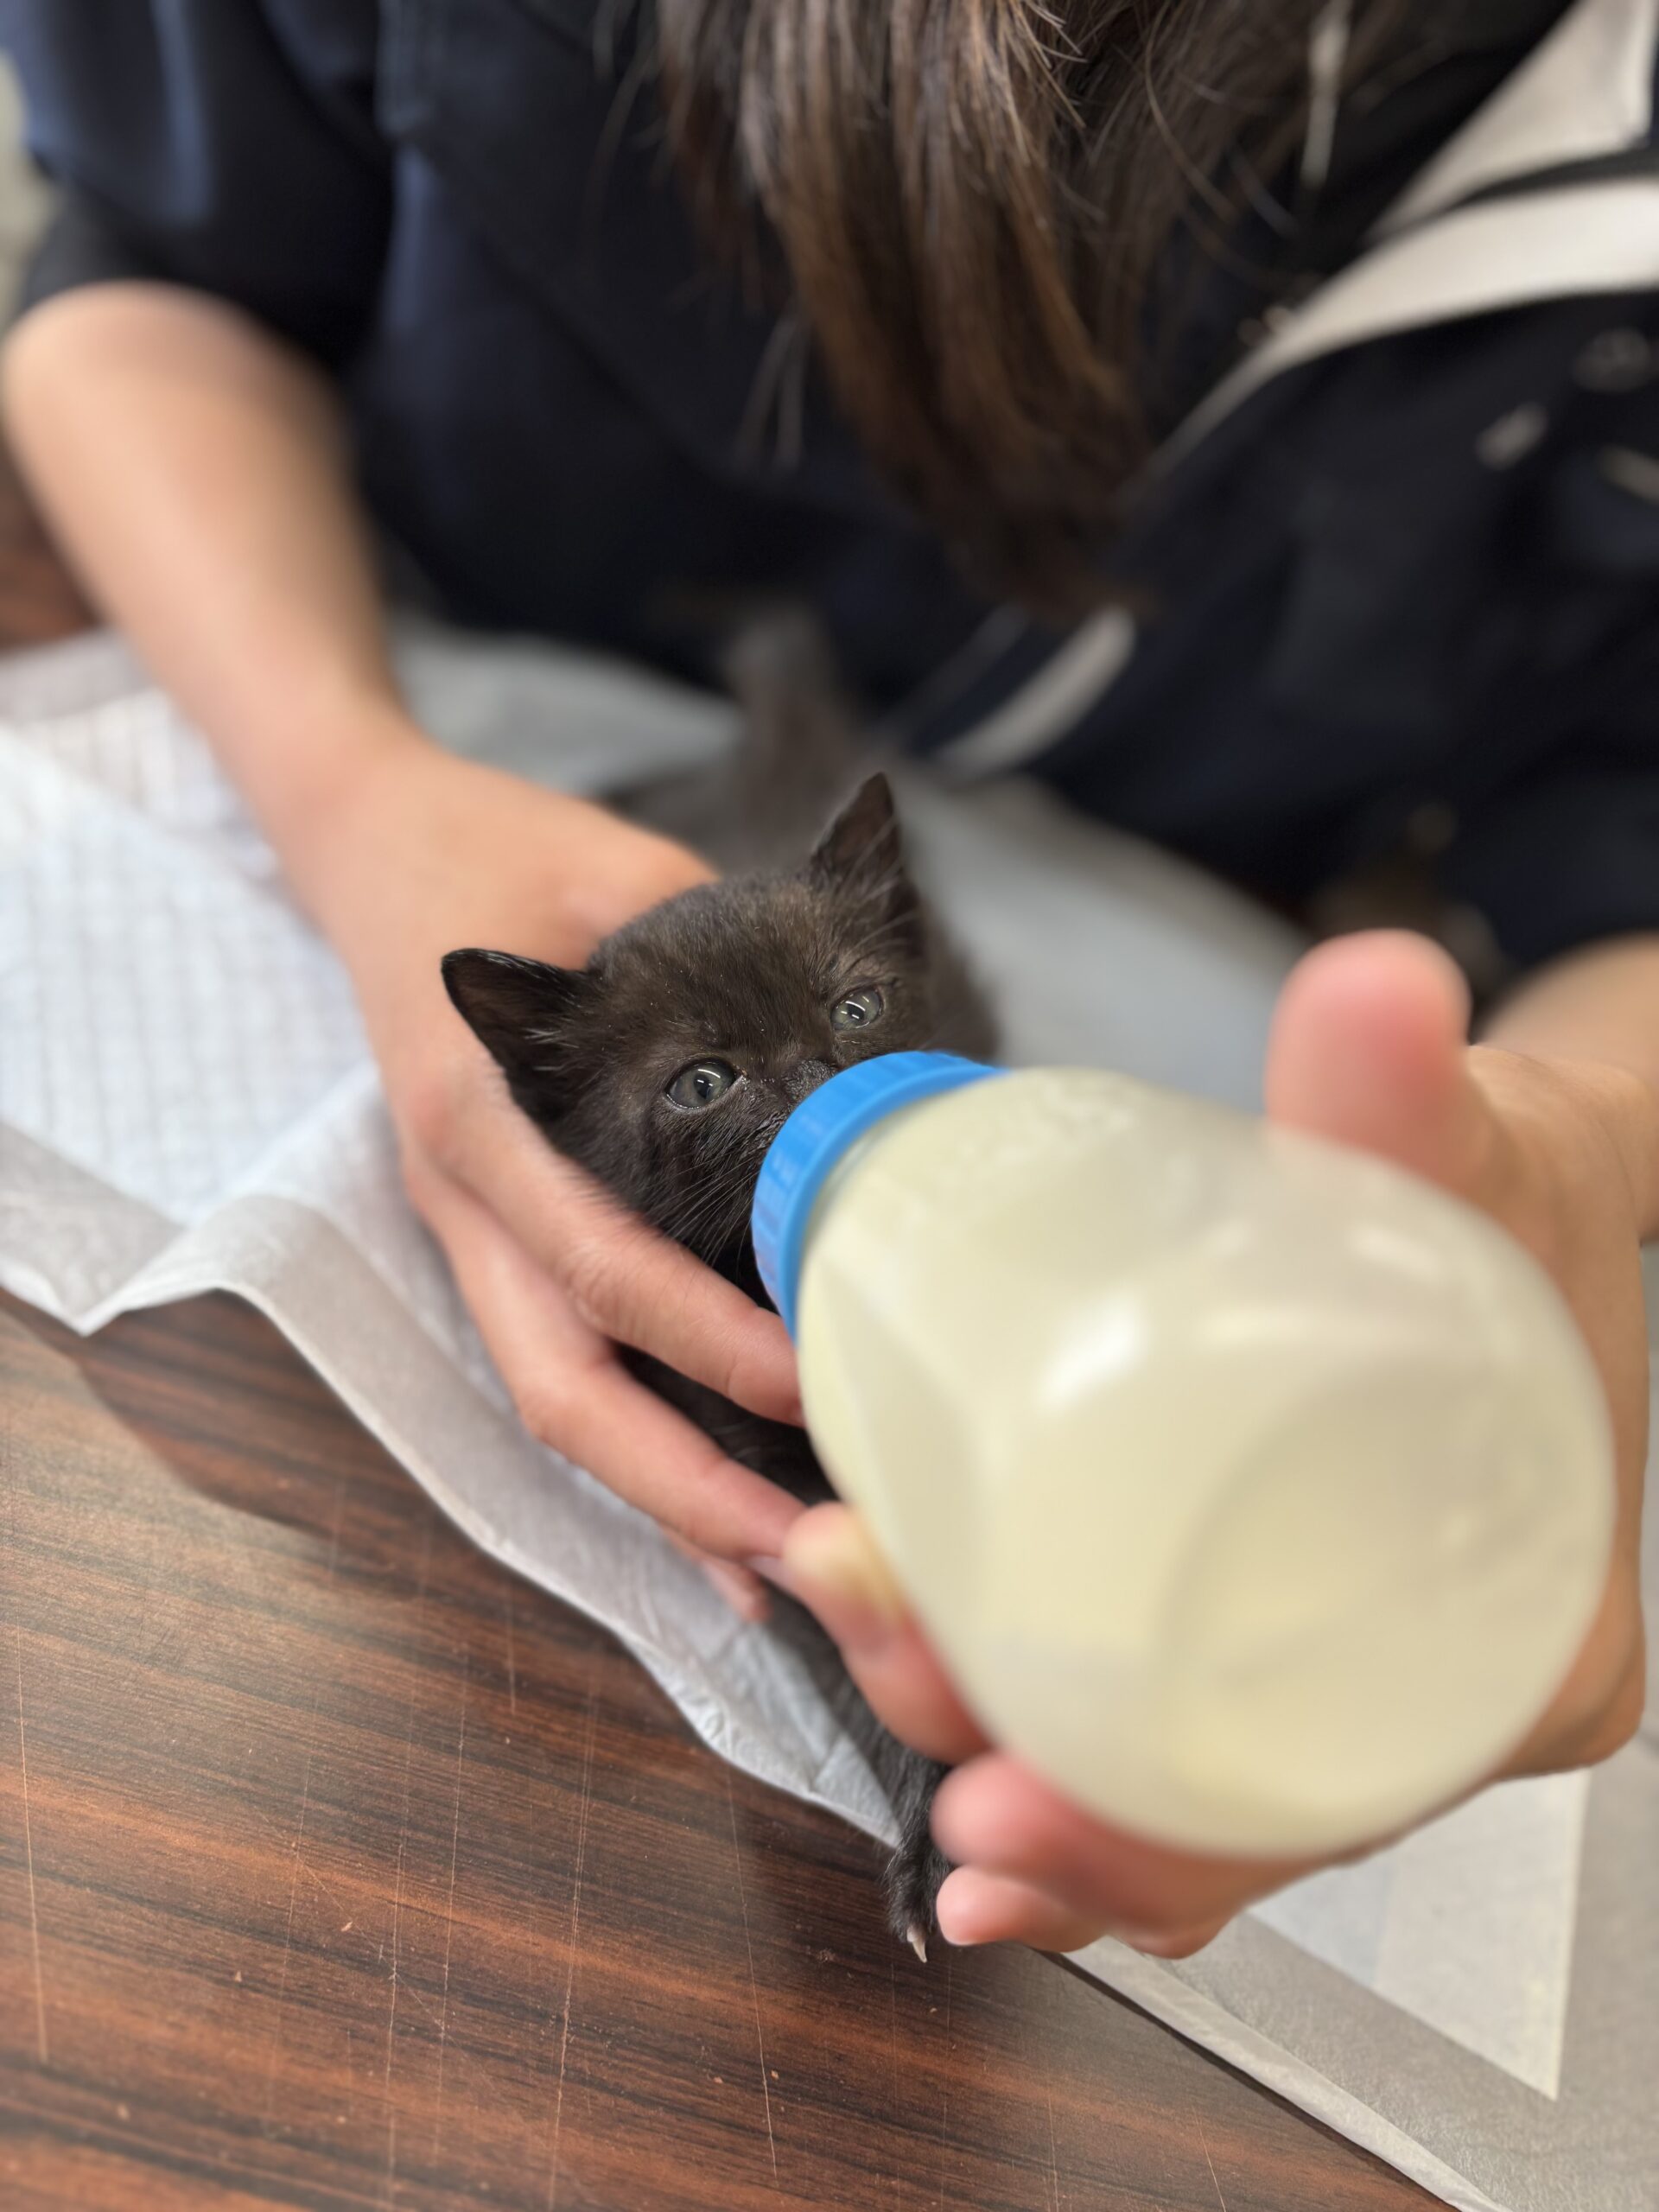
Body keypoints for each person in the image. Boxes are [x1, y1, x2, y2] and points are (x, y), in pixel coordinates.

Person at [0, 0, 1653, 1957]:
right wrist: (344, 784)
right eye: (710, 1092)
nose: (798, 1092)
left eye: (847, 1028)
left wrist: (1583, 1131)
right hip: (362, 649)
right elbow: (146, 265)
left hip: (1189, 920)